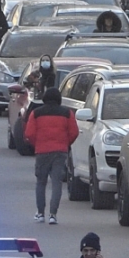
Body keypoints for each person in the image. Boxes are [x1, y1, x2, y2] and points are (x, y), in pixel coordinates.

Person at [26, 89, 80, 225]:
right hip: (60, 151)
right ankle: (53, 215)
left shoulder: (36, 113)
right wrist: (65, 144)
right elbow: (74, 132)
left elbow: (29, 133)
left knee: (41, 182)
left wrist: (37, 144)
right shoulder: (67, 113)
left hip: (42, 151)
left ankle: (40, 213)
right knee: (56, 183)